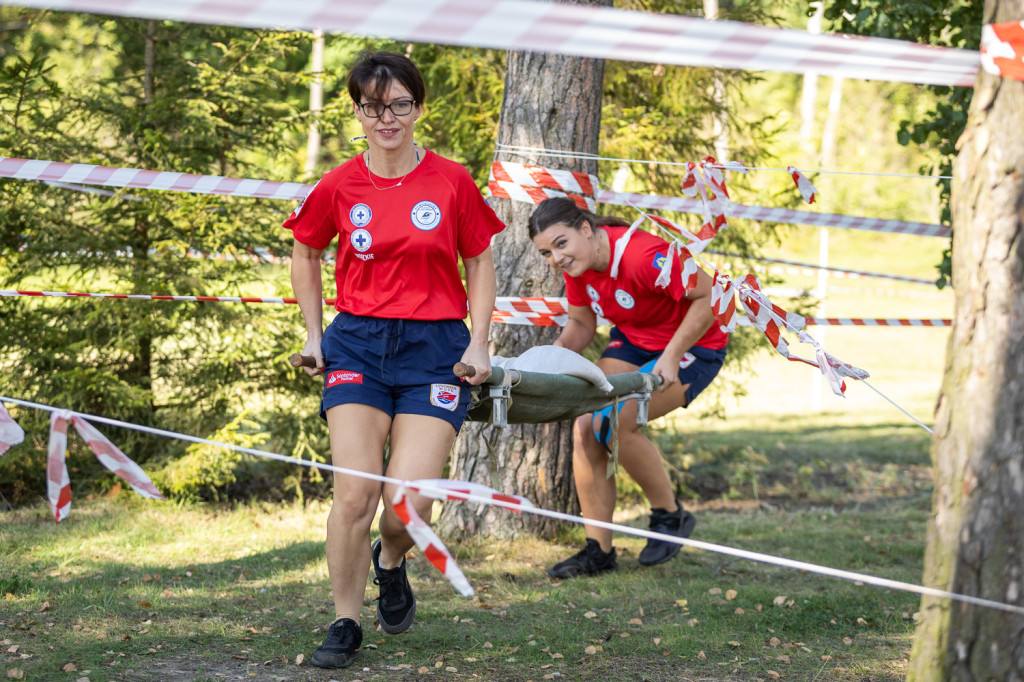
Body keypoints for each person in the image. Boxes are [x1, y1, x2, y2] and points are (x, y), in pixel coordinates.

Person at [284, 51, 504, 669]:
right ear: (357, 111)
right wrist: (314, 333)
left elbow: (480, 259)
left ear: (418, 107)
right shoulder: (339, 184)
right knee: (354, 495)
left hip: (435, 349)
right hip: (356, 343)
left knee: (409, 505)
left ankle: (392, 560)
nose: (388, 117)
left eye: (400, 104)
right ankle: (345, 621)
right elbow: (304, 252)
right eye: (374, 106)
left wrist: (479, 340)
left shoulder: (452, 180)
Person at [528, 197, 727, 579]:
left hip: (696, 344)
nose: (555, 258)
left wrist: (671, 356)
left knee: (616, 422)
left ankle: (670, 517)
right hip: (637, 340)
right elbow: (582, 325)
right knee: (586, 424)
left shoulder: (642, 255)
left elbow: (711, 297)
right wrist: (551, 360)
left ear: (585, 228)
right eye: (546, 252)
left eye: (561, 243)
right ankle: (598, 551)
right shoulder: (578, 265)